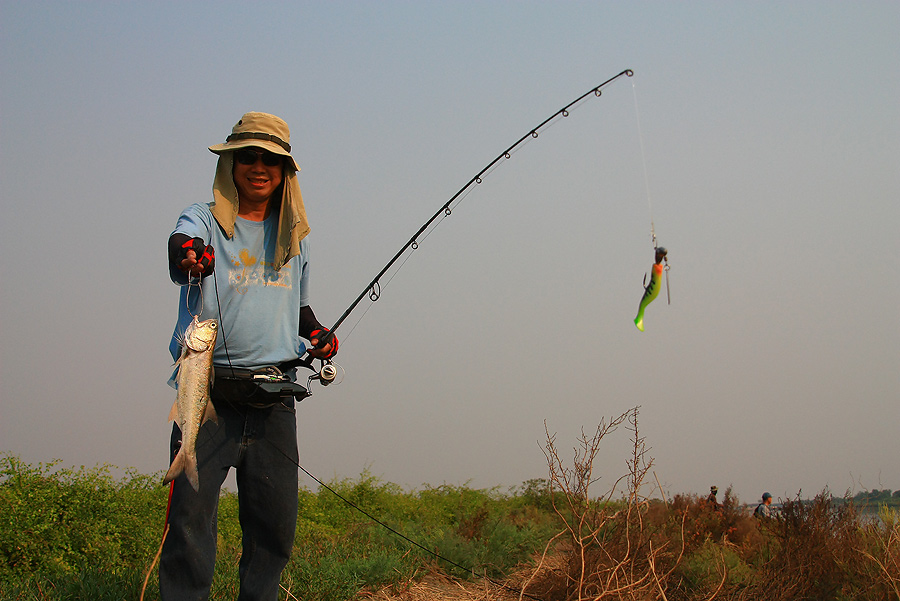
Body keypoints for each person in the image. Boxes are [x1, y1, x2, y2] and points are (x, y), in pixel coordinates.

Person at [159, 112, 337, 601]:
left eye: (271, 160)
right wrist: (191, 253)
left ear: (284, 172)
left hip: (274, 401)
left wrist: (318, 333)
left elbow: (296, 307)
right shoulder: (204, 220)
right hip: (207, 396)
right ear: (231, 164)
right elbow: (180, 250)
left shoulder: (294, 237)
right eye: (248, 157)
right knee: (189, 528)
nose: (259, 167)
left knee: (274, 529)